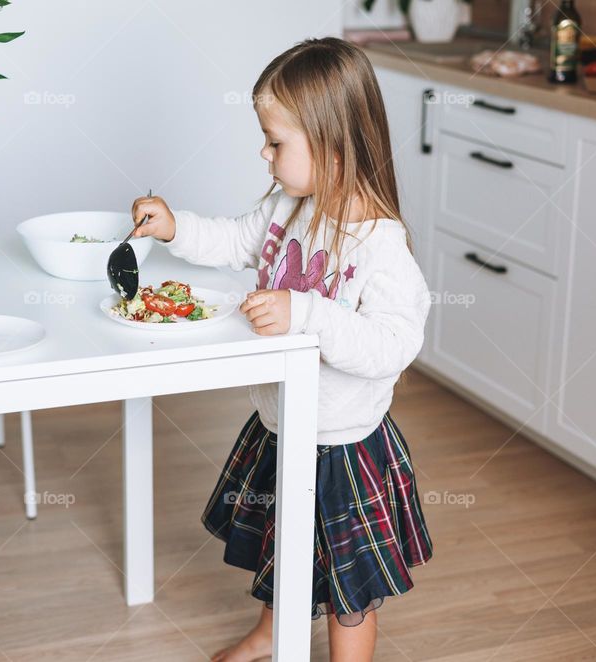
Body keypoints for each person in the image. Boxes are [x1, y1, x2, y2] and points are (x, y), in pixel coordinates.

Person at [130, 36, 433, 662]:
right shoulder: (285, 207)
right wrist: (176, 226)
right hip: (281, 422)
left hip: (344, 445)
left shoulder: (380, 245)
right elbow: (232, 240)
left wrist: (307, 313)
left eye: (275, 141)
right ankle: (272, 634)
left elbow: (392, 346)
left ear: (331, 143)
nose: (263, 154)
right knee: (283, 546)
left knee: (348, 589)